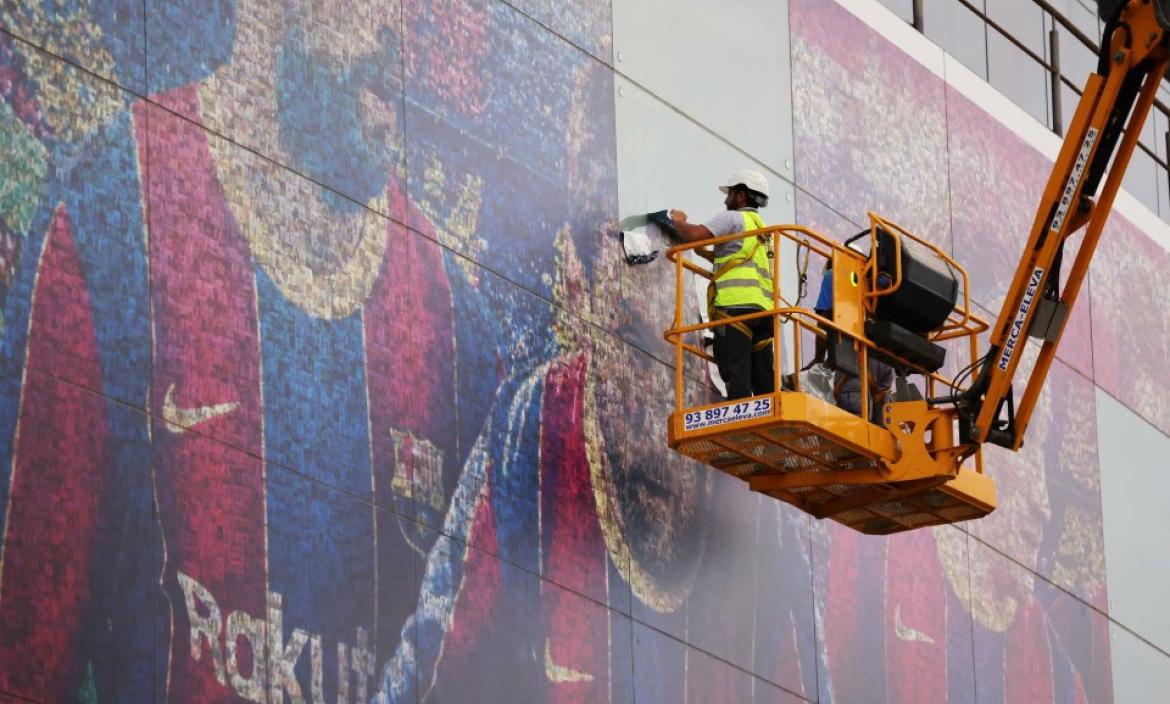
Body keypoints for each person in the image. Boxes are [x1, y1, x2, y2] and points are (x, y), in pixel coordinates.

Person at [669, 169, 775, 400]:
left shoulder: (733, 218)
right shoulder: (764, 231)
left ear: (740, 195)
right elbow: (737, 256)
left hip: (735, 309)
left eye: (730, 193)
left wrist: (678, 220)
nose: (725, 198)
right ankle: (768, 425)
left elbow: (693, 234)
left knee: (735, 371)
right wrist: (708, 254)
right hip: (764, 313)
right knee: (764, 379)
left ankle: (741, 425)